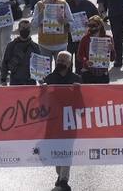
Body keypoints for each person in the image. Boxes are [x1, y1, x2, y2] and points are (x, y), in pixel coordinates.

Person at [44, 52, 81, 191]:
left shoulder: (76, 79)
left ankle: (64, 180)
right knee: (56, 151)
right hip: (53, 122)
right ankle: (60, 175)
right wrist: (42, 89)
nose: (61, 62)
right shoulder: (49, 79)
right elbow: (42, 101)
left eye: (64, 60)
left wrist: (78, 91)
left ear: (69, 63)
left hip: (70, 121)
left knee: (67, 150)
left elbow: (81, 104)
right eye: (59, 59)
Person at [1, 19, 43, 85]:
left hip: (30, 81)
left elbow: (39, 64)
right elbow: (5, 62)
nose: (25, 30)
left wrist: (41, 80)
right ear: (19, 29)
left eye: (27, 28)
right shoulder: (12, 45)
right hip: (15, 81)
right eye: (23, 28)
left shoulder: (35, 46)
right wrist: (3, 79)